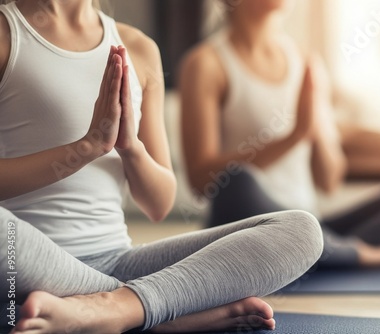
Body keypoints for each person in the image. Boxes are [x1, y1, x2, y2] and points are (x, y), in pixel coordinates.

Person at [0, 0, 324, 333]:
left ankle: (121, 306)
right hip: (23, 260)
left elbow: (159, 203)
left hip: (118, 262)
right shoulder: (6, 33)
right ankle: (159, 311)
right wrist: (84, 149)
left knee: (301, 231)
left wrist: (131, 149)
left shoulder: (139, 48)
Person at [179, 0, 380, 268]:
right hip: (247, 227)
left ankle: (324, 255)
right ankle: (357, 255)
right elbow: (201, 182)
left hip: (311, 225)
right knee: (238, 182)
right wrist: (293, 137)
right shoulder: (205, 64)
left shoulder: (305, 62)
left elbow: (329, 180)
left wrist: (316, 130)